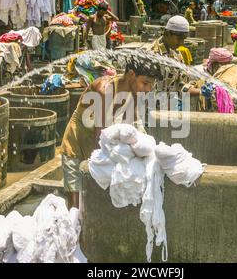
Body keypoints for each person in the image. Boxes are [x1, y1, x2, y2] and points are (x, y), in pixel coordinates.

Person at [60, 57, 163, 209]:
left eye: (151, 85)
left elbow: (135, 124)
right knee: (75, 206)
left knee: (92, 204)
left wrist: (150, 151)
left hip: (95, 144)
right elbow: (99, 137)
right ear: (131, 74)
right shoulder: (105, 90)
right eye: (145, 83)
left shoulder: (133, 92)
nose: (148, 89)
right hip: (76, 146)